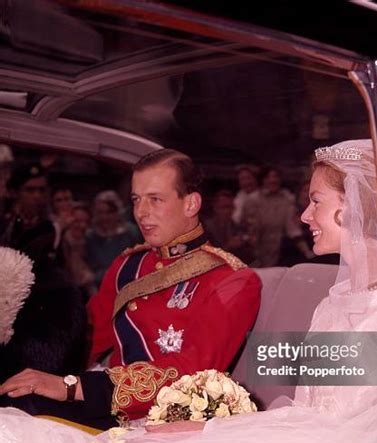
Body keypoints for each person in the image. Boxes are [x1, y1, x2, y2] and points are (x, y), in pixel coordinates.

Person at [1, 140, 377, 443]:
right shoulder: (338, 299)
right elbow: (309, 404)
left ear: (361, 210)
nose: (304, 215)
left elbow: (376, 435)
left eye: (316, 202)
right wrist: (214, 425)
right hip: (289, 432)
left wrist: (218, 428)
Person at [0, 149, 261, 428]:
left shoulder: (231, 279)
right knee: (13, 402)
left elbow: (192, 374)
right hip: (103, 405)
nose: (141, 213)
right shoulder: (128, 266)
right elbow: (85, 340)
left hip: (159, 421)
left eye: (155, 200)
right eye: (136, 200)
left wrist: (72, 386)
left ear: (191, 204)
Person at [86, 190, 142, 288]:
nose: (105, 217)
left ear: (117, 212)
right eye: (100, 212)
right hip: (100, 287)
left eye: (109, 212)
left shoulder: (131, 232)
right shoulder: (91, 236)